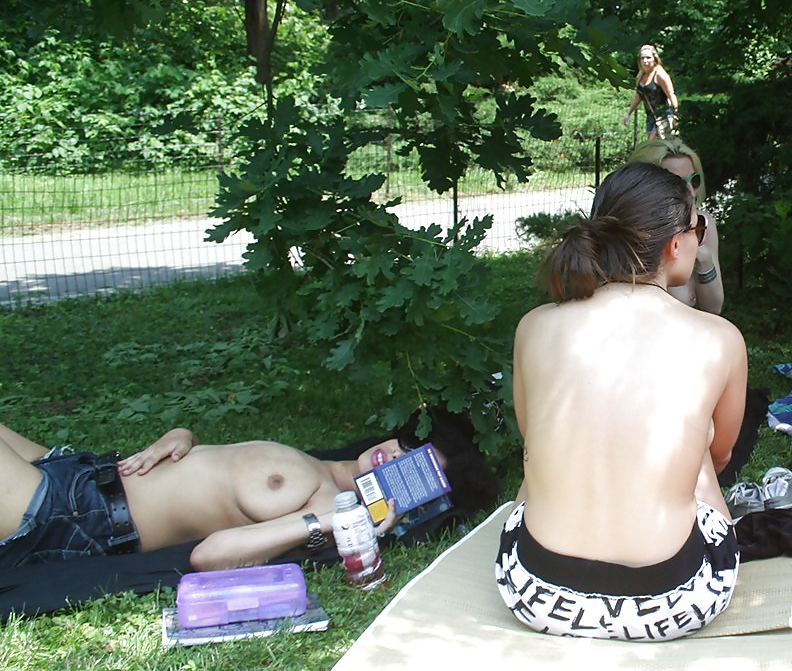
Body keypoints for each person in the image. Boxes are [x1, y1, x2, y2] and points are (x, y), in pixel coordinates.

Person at [495, 162, 747, 642]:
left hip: (534, 590)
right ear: (677, 244)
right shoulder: (719, 339)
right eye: (700, 227)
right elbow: (720, 457)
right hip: (674, 599)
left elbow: (534, 440)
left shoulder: (534, 326)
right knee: (697, 449)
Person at [0, 408, 499, 570]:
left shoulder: (326, 504)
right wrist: (182, 438)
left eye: (413, 470)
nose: (396, 456)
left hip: (76, 516)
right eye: (410, 443)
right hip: (75, 470)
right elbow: (219, 473)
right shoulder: (322, 463)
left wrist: (335, 521)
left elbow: (209, 556)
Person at [629, 137, 724, 314]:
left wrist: (705, 262)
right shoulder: (630, 232)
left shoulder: (703, 225)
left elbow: (714, 308)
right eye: (677, 182)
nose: (690, 191)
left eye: (694, 180)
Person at [622, 44, 679, 139]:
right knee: (653, 146)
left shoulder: (660, 75)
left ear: (655, 59)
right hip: (650, 117)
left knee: (655, 145)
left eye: (648, 58)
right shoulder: (640, 77)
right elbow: (638, 97)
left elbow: (671, 95)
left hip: (663, 115)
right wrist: (628, 113)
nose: (645, 61)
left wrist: (676, 115)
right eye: (642, 58)